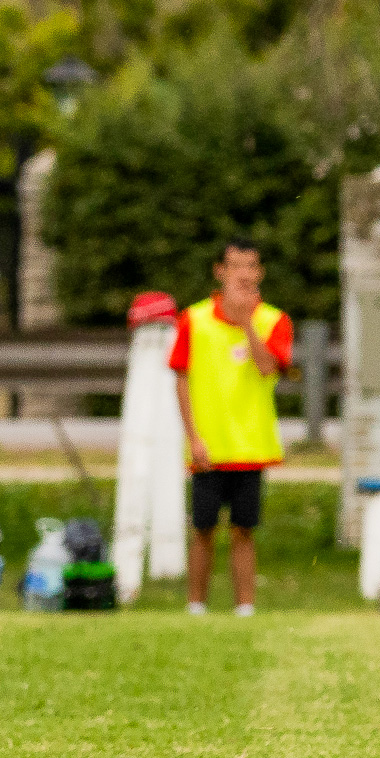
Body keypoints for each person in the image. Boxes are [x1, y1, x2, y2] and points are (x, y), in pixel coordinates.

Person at [169, 238, 293, 618]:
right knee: (202, 527)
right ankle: (196, 604)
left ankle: (244, 606)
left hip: (251, 447)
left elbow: (268, 367)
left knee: (244, 529)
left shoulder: (274, 320)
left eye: (250, 266)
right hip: (209, 447)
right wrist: (193, 437)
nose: (243, 273)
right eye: (235, 265)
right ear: (219, 271)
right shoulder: (194, 319)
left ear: (260, 272)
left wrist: (246, 326)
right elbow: (181, 378)